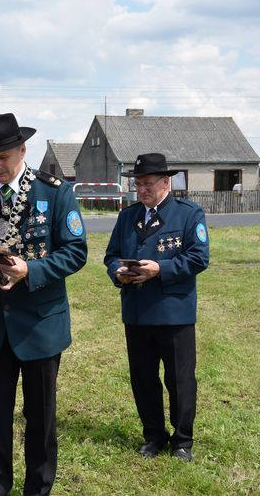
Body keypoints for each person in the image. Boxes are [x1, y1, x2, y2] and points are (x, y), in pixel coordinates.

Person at [0, 113, 88, 495]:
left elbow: (76, 252)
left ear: (22, 150)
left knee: (40, 419)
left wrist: (29, 270)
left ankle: (38, 488)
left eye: (3, 157)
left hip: (39, 325)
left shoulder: (54, 192)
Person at [103, 153, 210, 462]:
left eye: (148, 183)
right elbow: (111, 255)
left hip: (172, 311)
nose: (142, 190)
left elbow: (198, 258)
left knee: (179, 379)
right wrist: (117, 272)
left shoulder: (188, 214)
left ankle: (182, 440)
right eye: (138, 184)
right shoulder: (128, 216)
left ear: (166, 182)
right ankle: (153, 435)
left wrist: (159, 269)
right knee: (143, 378)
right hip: (136, 311)